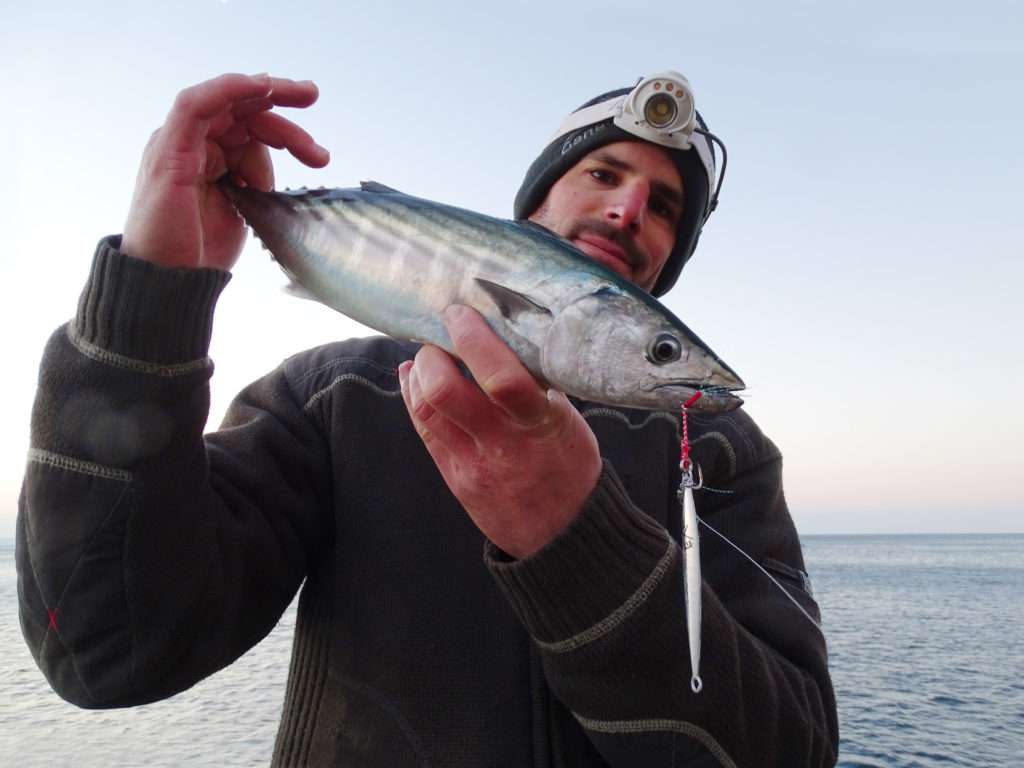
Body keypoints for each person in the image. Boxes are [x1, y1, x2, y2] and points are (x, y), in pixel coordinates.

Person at [17, 72, 838, 766]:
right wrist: (146, 309)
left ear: (664, 266)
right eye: (602, 174)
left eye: (664, 207)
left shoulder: (723, 452)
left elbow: (792, 747)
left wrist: (577, 539)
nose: (629, 210)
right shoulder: (334, 396)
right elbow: (103, 649)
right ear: (533, 207)